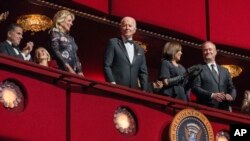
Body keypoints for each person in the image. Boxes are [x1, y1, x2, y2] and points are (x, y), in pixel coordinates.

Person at [104, 16, 148, 91]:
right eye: (124, 25)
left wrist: (144, 90)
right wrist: (112, 83)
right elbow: (107, 65)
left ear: (134, 30)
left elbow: (143, 72)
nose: (127, 28)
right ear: (121, 28)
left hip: (134, 90)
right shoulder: (113, 43)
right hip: (116, 88)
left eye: (130, 26)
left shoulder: (140, 49)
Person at [192, 41, 236, 111]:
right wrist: (212, 95)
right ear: (202, 53)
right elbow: (195, 88)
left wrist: (231, 96)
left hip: (224, 109)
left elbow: (232, 88)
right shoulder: (198, 68)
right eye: (205, 50)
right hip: (205, 109)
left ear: (215, 52)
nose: (208, 51)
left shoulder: (225, 71)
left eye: (210, 49)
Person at [50, 10, 83, 76]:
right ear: (61, 21)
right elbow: (55, 50)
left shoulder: (71, 38)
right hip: (61, 70)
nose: (71, 23)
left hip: (73, 72)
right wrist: (68, 67)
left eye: (71, 21)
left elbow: (75, 55)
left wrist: (79, 71)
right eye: (69, 21)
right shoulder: (54, 33)